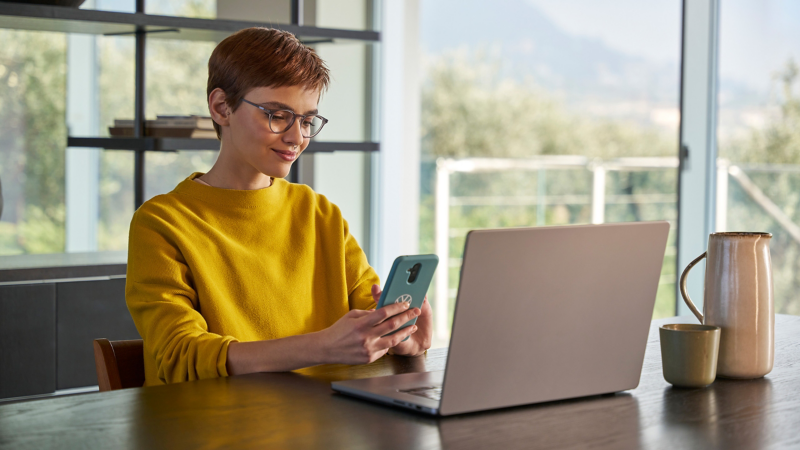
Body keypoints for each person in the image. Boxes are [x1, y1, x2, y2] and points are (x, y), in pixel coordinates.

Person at [126, 27, 432, 386]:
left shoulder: (320, 214)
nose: (296, 137)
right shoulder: (162, 223)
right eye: (277, 115)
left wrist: (403, 339)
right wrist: (321, 347)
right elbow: (178, 355)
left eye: (306, 120)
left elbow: (370, 320)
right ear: (221, 107)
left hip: (330, 425)